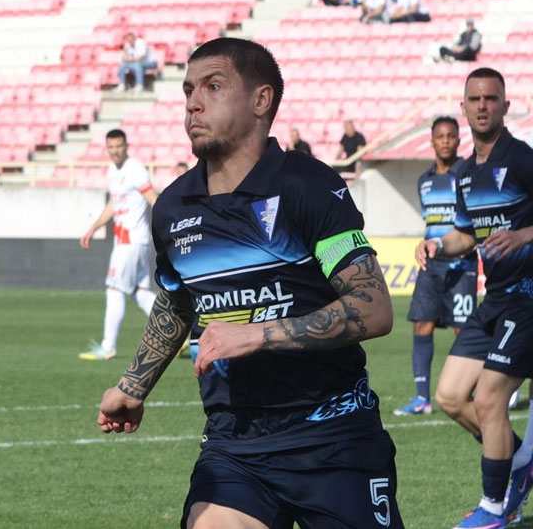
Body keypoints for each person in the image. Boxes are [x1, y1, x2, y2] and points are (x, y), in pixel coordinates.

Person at [97, 37, 402, 529]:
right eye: (188, 90)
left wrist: (256, 334)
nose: (193, 103)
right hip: (234, 444)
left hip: (334, 438)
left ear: (261, 100)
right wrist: (133, 385)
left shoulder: (307, 185)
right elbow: (178, 301)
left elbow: (373, 307)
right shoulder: (173, 207)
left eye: (213, 87)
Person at [416, 67, 533, 527]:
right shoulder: (465, 173)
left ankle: (493, 509)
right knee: (449, 396)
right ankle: (521, 462)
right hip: (496, 299)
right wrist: (437, 244)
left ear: (505, 106)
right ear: (463, 107)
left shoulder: (521, 159)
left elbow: (518, 233)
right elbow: (467, 234)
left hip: (528, 299)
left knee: (489, 398)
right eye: (475, 99)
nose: (483, 105)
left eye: (491, 98)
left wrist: (523, 235)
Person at [395, 116, 478, 417]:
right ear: (431, 142)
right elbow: (430, 222)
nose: (445, 141)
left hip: (461, 263)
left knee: (463, 330)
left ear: (458, 140)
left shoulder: (467, 174)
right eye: (440, 136)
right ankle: (422, 399)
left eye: (450, 136)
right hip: (431, 265)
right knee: (422, 324)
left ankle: (483, 387)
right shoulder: (424, 181)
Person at [78, 129, 158, 361]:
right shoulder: (113, 171)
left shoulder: (135, 169)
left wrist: (169, 225)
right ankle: (178, 333)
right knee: (139, 292)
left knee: (114, 288)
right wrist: (94, 227)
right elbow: (114, 204)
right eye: (111, 147)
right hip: (129, 241)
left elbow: (153, 199)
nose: (115, 151)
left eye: (119, 146)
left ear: (126, 146)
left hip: (131, 241)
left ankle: (108, 346)